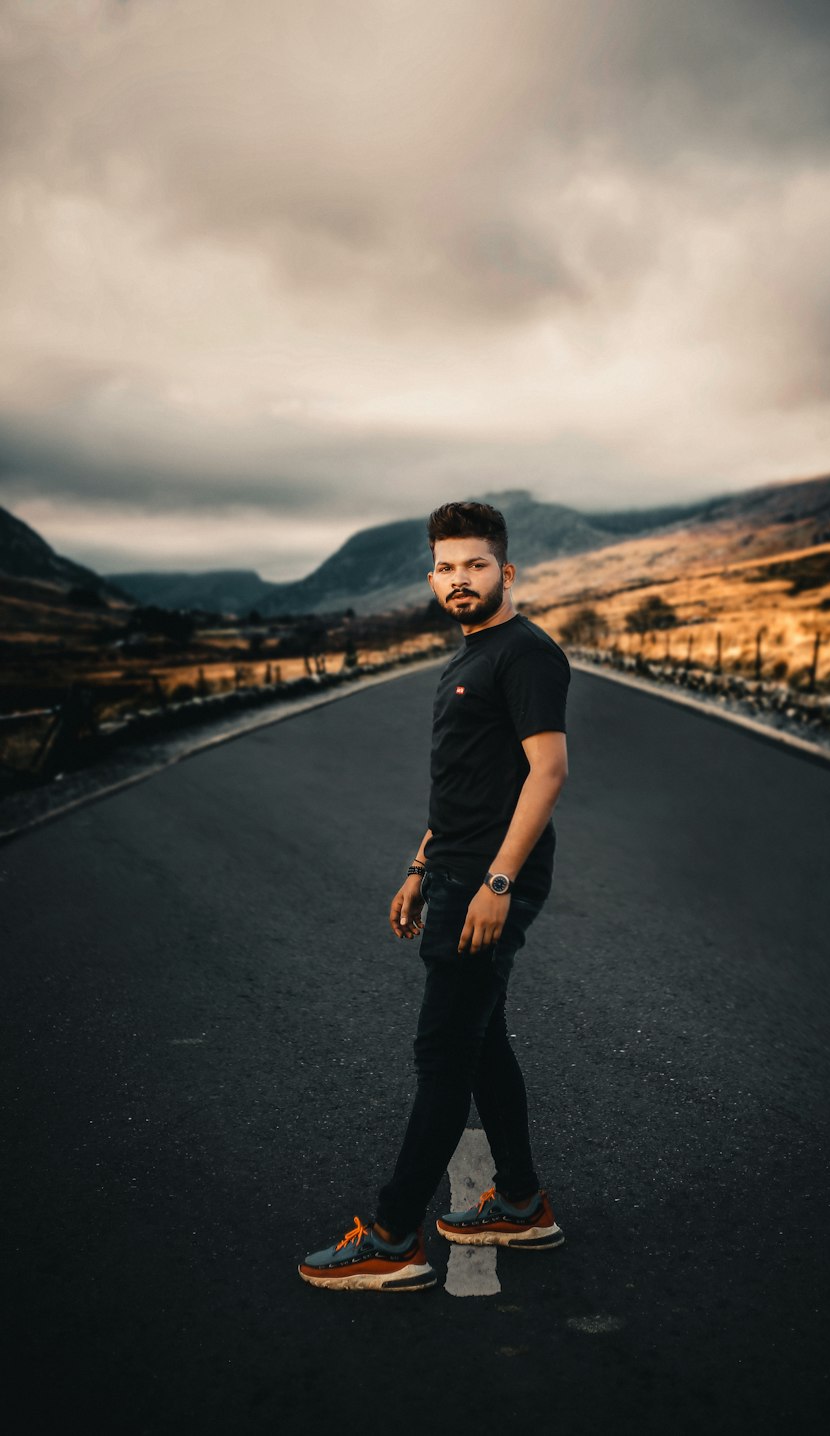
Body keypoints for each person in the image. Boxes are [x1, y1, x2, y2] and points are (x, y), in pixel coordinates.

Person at [298, 500, 571, 1292]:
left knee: (442, 1053)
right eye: (447, 568)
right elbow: (466, 786)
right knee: (481, 1043)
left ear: (506, 571)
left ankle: (391, 1237)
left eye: (476, 565)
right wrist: (422, 867)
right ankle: (520, 1203)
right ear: (432, 577)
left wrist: (496, 882)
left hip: (488, 883)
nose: (460, 579)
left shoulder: (524, 654)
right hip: (452, 873)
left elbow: (546, 774)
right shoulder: (467, 657)